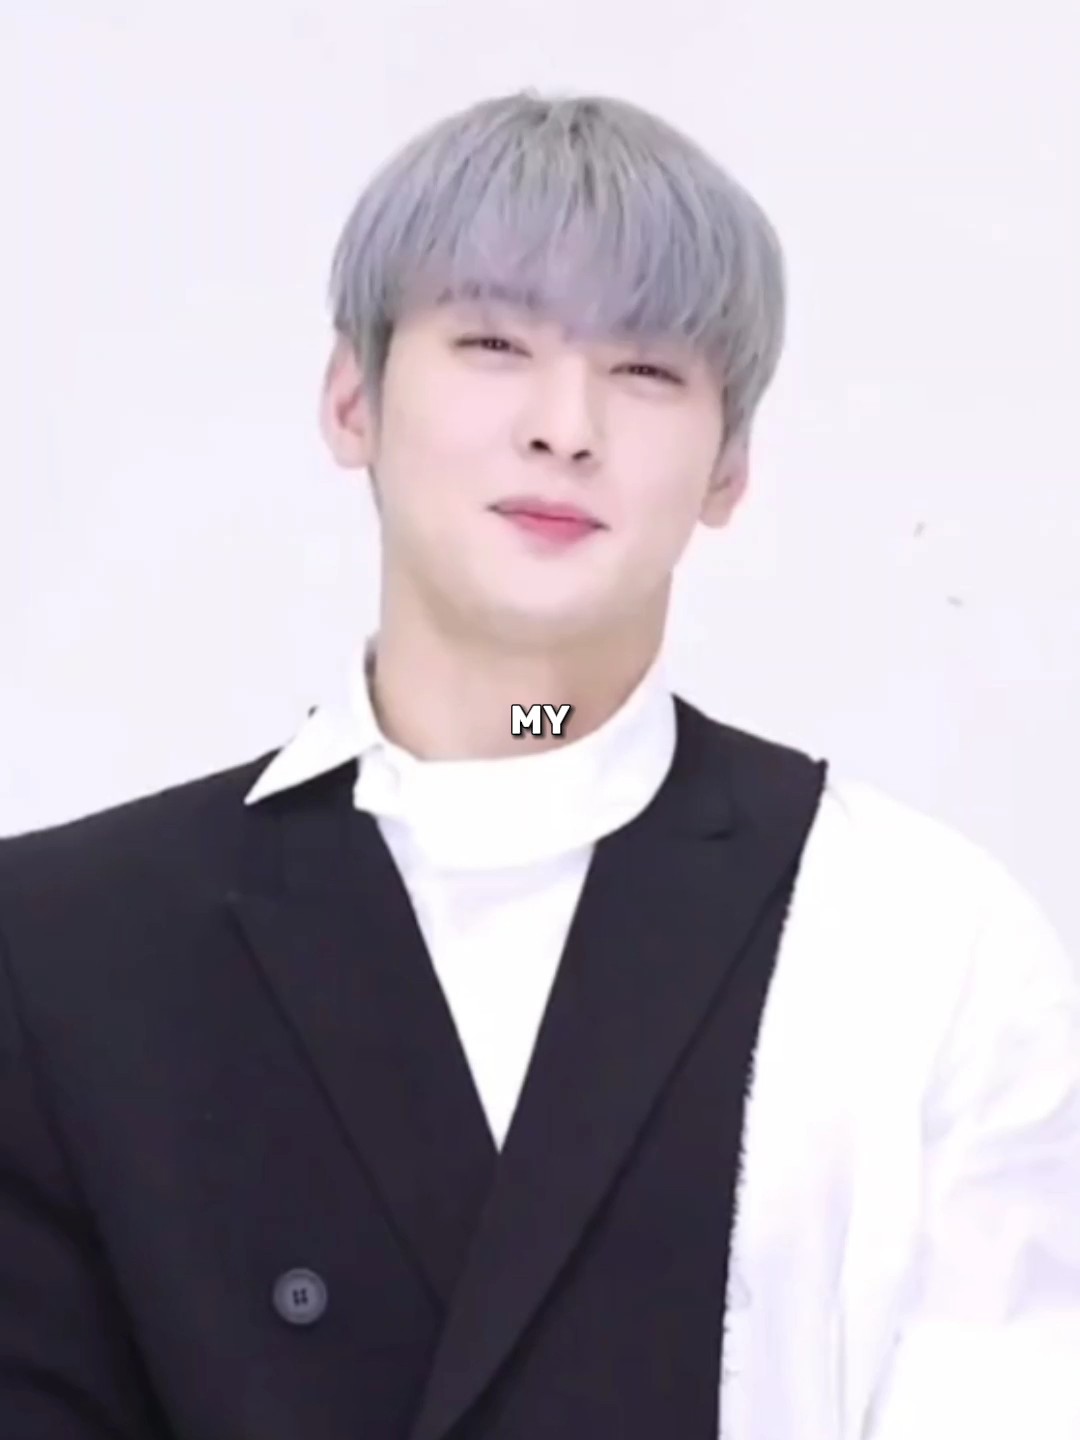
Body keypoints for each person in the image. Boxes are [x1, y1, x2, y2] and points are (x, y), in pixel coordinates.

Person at [1, 89, 1078, 1440]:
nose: (566, 425)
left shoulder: (925, 939)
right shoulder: (61, 944)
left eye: (647, 370)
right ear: (353, 399)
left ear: (729, 468)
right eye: (494, 342)